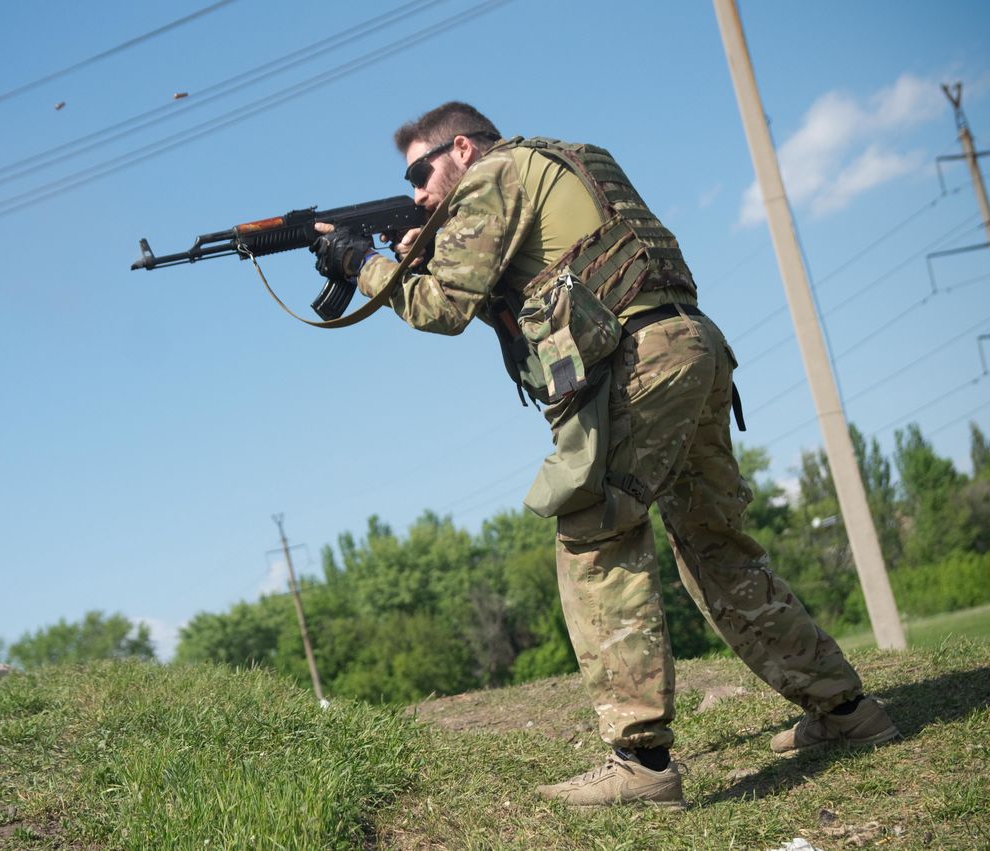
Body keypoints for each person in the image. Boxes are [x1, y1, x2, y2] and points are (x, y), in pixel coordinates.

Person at [309, 102, 898, 809]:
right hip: (693, 345)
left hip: (640, 363)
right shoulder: (566, 157)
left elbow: (441, 308)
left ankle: (641, 764)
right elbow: (534, 274)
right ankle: (845, 711)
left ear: (461, 148)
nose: (417, 195)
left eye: (419, 172)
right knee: (716, 545)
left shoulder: (492, 176)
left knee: (594, 532)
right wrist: (418, 246)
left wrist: (362, 263)